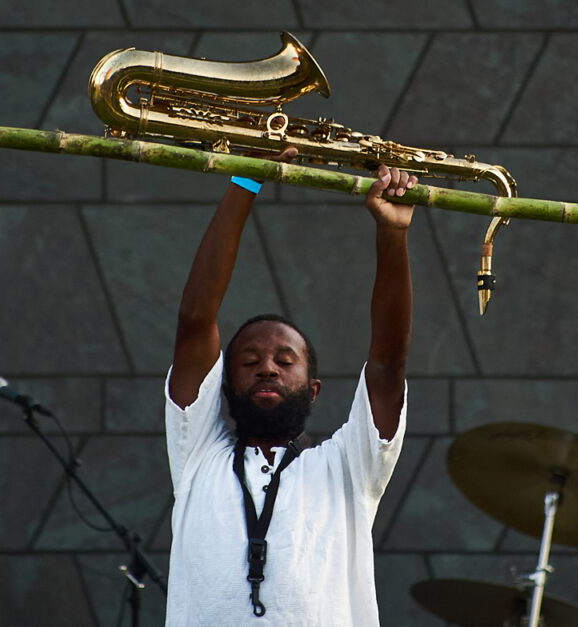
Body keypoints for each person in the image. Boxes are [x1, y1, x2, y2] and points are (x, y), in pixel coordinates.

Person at [163, 146, 417, 626]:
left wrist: (393, 233)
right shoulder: (197, 452)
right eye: (249, 361)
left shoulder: (347, 464)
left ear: (314, 388)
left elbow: (387, 363)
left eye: (285, 360)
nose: (267, 369)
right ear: (223, 384)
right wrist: (246, 180)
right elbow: (196, 320)